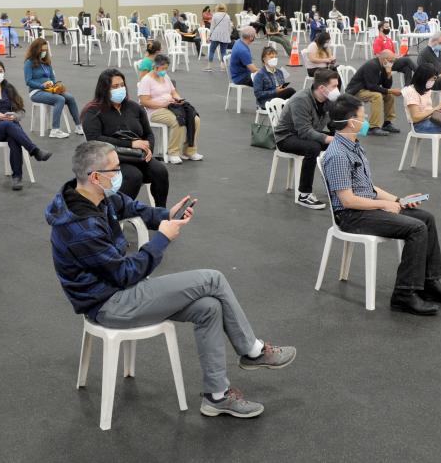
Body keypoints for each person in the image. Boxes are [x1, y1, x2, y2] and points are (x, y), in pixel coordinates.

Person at [46, 141, 296, 419]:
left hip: (119, 290)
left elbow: (133, 208)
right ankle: (253, 351)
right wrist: (162, 238)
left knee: (209, 307)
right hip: (108, 303)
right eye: (115, 169)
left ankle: (216, 396)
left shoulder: (95, 196)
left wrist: (167, 215)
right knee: (212, 279)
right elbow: (125, 273)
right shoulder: (80, 225)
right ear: (95, 176)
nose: (121, 174)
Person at [322, 94, 441, 316]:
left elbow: (369, 188)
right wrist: (383, 205)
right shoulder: (337, 154)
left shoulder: (354, 146)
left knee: (426, 218)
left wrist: (397, 200)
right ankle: (404, 294)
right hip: (351, 215)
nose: (366, 121)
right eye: (362, 117)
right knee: (416, 228)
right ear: (350, 121)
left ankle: (429, 281)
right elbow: (347, 200)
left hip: (364, 207)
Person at [82, 69, 169, 207]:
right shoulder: (93, 111)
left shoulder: (134, 107)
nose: (120, 89)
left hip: (136, 156)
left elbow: (148, 133)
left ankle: (160, 213)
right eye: (115, 86)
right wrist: (131, 144)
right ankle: (116, 214)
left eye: (122, 85)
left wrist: (148, 148)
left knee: (160, 171)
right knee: (134, 176)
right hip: (109, 159)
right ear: (104, 89)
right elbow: (95, 140)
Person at [0, 60, 52, 190]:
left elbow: (21, 110)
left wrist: (15, 116)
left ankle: (17, 178)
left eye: (0, 71)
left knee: (13, 136)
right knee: (9, 126)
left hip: (10, 126)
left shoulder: (9, 88)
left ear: (4, 73)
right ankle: (35, 151)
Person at [274, 69, 341, 209]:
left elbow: (333, 124)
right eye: (334, 86)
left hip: (309, 133)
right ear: (322, 88)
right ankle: (304, 195)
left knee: (346, 143)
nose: (337, 90)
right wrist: (330, 139)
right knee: (314, 147)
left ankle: (340, 189)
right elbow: (304, 131)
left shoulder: (329, 100)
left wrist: (343, 135)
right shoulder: (301, 100)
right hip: (286, 137)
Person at [138, 55, 202, 165]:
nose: (164, 71)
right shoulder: (146, 80)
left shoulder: (165, 77)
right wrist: (161, 104)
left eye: (166, 68)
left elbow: (173, 92)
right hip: (154, 111)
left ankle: (189, 151)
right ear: (155, 67)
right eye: (162, 69)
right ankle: (173, 152)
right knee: (178, 120)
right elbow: (144, 101)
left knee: (194, 118)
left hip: (170, 106)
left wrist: (178, 98)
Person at [24, 38, 83, 138]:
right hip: (36, 92)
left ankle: (78, 126)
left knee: (70, 97)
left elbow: (52, 77)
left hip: (50, 89)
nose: (44, 52)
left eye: (46, 50)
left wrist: (55, 84)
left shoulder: (46, 62)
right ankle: (55, 130)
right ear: (36, 50)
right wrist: (42, 85)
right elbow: (28, 81)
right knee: (59, 99)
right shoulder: (29, 63)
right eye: (42, 50)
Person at [346, 49, 401, 136]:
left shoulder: (384, 66)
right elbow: (371, 86)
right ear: (384, 59)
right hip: (356, 91)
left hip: (367, 89)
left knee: (389, 96)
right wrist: (391, 91)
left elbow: (387, 86)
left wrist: (389, 73)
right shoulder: (372, 65)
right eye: (391, 61)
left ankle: (387, 123)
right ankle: (373, 127)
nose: (392, 63)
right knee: (377, 96)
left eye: (393, 61)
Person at [204, 4, 233, 72]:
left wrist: (209, 35)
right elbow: (229, 27)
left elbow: (212, 27)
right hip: (225, 35)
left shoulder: (215, 15)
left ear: (217, 8)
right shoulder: (227, 16)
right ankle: (223, 66)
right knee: (223, 51)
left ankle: (209, 66)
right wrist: (229, 34)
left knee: (212, 50)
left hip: (216, 35)